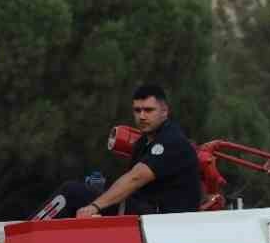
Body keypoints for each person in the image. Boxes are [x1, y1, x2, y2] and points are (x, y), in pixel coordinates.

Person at [63, 83, 203, 218]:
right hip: (146, 212)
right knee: (82, 194)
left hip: (166, 221)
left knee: (71, 192)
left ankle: (40, 236)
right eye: (137, 110)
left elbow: (135, 178)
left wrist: (95, 206)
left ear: (164, 111)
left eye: (148, 110)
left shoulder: (171, 140)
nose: (142, 116)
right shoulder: (143, 142)